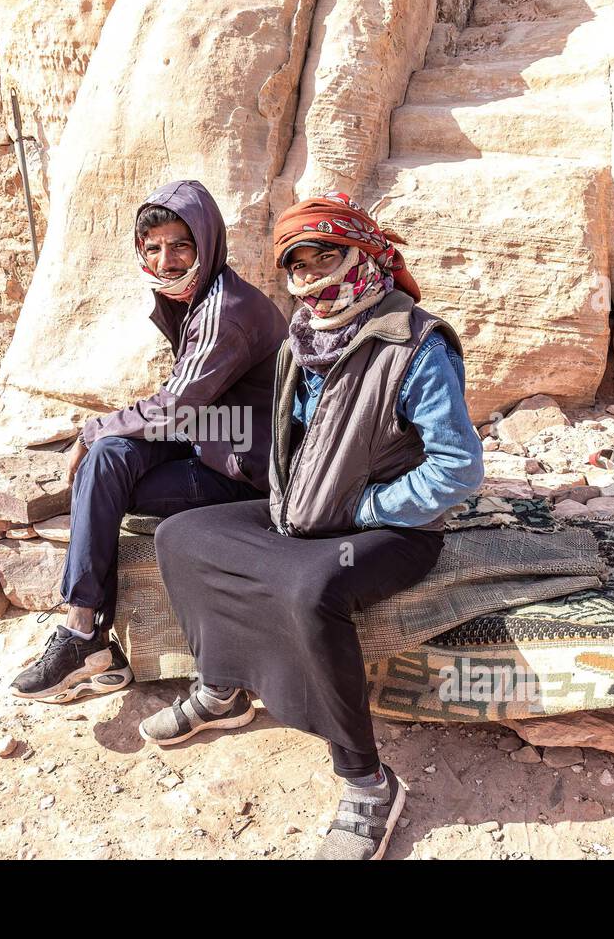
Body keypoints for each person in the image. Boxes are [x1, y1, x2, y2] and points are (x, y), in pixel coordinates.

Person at [141, 192, 485, 859]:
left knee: (309, 590)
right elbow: (298, 440)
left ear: (362, 256)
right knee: (179, 537)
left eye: (324, 256)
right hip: (309, 512)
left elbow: (457, 470)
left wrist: (363, 508)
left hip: (394, 529)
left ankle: (367, 780)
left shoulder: (415, 344)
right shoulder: (305, 340)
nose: (309, 276)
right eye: (295, 264)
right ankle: (221, 688)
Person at [9, 179, 287, 704]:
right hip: (210, 436)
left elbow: (177, 404)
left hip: (243, 466)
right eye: (153, 248)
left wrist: (92, 427)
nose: (166, 260)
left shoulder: (227, 310)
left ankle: (84, 635)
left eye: (181, 245)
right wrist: (104, 436)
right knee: (109, 459)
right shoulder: (196, 295)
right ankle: (85, 631)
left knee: (102, 469)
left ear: (207, 243)